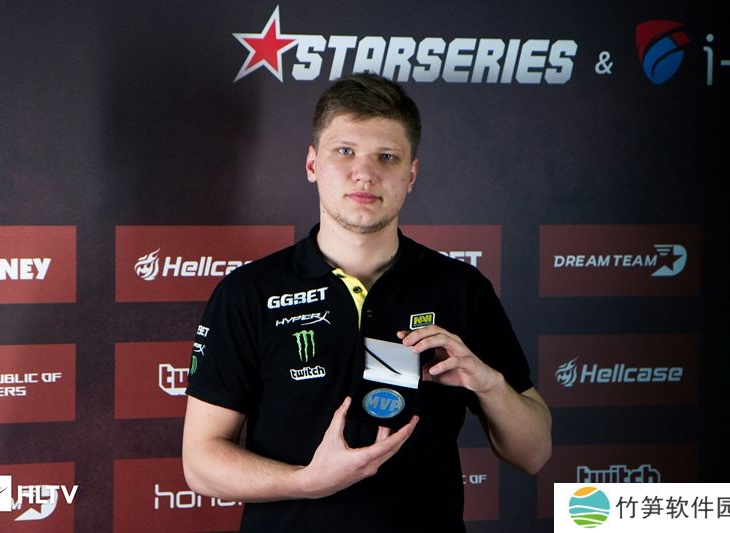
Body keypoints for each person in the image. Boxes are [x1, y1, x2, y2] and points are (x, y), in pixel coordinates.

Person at [182, 73, 552, 532]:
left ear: (410, 175)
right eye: (345, 151)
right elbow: (200, 463)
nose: (365, 173)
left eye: (386, 157)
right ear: (312, 164)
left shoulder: (460, 288)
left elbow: (535, 453)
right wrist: (307, 482)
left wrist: (490, 385)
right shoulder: (248, 293)